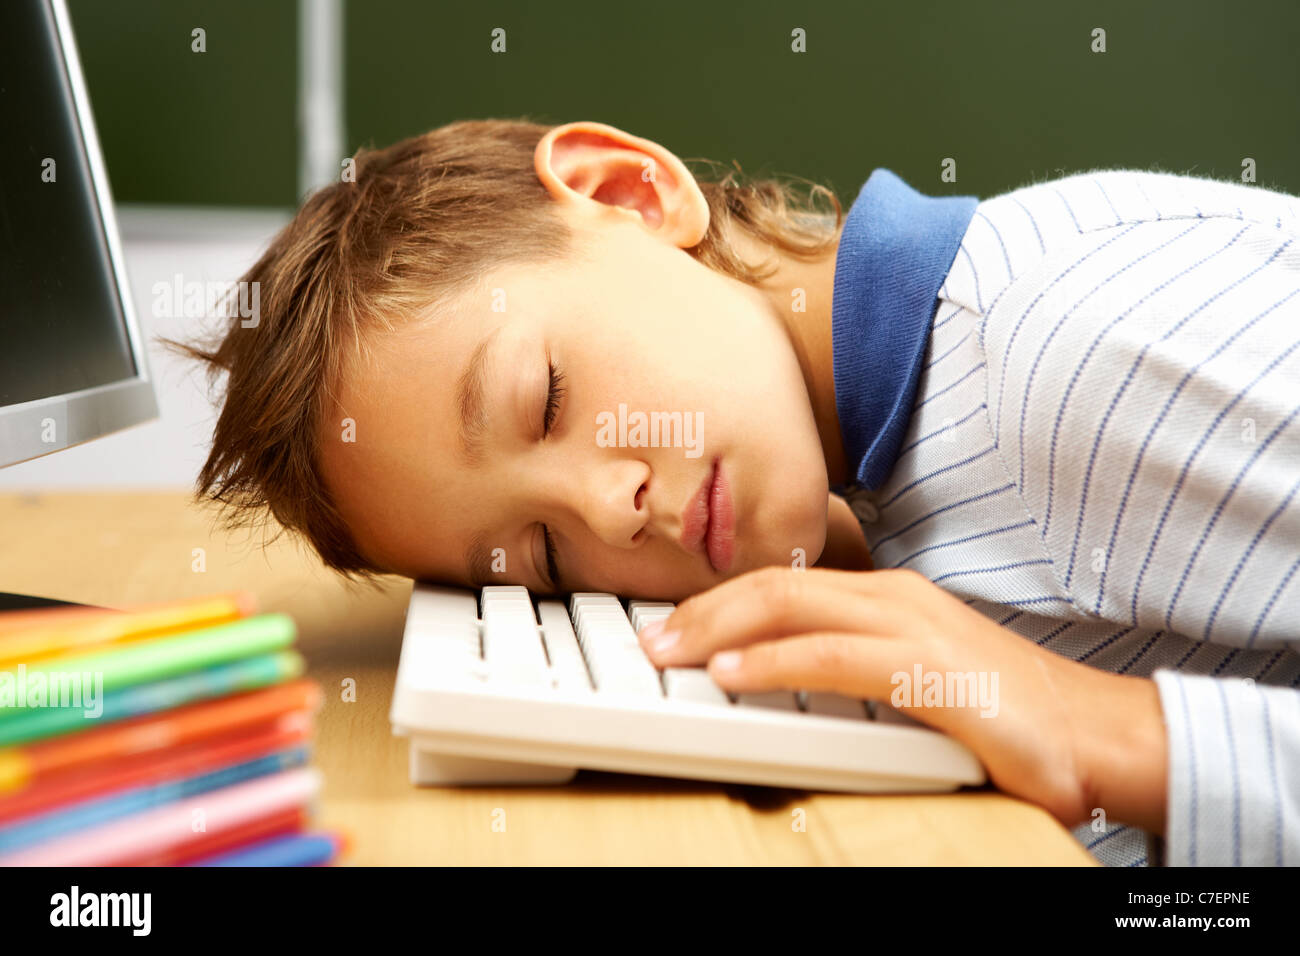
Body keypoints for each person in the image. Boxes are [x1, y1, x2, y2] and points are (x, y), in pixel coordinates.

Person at [174, 118, 1300, 866]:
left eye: (547, 397)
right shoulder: (901, 469)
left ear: (630, 192)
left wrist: (1107, 734)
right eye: (544, 556)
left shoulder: (1063, 354)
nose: (609, 512)